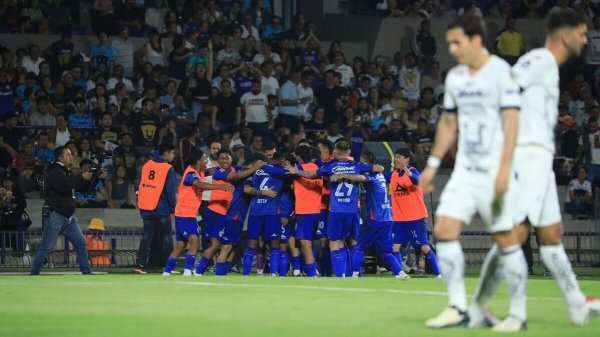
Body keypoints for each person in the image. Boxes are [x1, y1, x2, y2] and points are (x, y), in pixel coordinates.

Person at [471, 8, 600, 328]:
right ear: (566, 35)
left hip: (539, 159)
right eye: (582, 34)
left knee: (552, 235)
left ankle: (576, 304)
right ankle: (503, 312)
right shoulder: (540, 60)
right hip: (526, 157)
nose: (586, 40)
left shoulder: (551, 69)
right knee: (515, 234)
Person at [420, 15, 525, 331]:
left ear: (476, 40)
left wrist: (506, 169)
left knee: (506, 239)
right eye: (449, 42)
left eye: (457, 42)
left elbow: (512, 122)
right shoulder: (454, 78)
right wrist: (433, 164)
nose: (451, 49)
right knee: (445, 230)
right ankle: (458, 307)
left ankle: (517, 315)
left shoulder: (501, 73)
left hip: (496, 170)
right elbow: (449, 122)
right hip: (465, 171)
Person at [286, 140, 384, 277]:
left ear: (336, 152)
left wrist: (297, 171)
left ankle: (340, 275)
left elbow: (311, 174)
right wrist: (354, 176)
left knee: (335, 243)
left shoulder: (331, 166)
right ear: (349, 152)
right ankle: (356, 273)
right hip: (353, 211)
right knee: (354, 242)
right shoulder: (358, 165)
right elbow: (380, 169)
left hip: (336, 211)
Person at [31, 146, 106, 275]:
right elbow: (63, 186)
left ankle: (86, 271)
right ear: (60, 157)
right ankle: (33, 274)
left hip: (68, 218)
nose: (72, 156)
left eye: (71, 154)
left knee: (81, 243)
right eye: (68, 154)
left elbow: (84, 188)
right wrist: (81, 177)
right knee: (47, 246)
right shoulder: (54, 170)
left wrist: (96, 177)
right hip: (55, 215)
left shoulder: (67, 172)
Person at [194, 149, 265, 275]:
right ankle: (211, 273)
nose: (224, 161)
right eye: (221, 158)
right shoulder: (219, 172)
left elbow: (240, 171)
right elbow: (239, 178)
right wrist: (257, 166)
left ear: (231, 159)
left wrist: (249, 167)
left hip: (229, 214)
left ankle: (222, 272)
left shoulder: (238, 170)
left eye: (227, 158)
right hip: (228, 214)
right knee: (223, 246)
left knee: (232, 246)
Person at [336, 151, 405, 279]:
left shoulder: (371, 174)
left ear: (366, 162)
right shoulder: (381, 175)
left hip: (375, 218)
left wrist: (344, 175)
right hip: (387, 218)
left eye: (361, 162)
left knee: (360, 246)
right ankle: (400, 272)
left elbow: (362, 178)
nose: (359, 164)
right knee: (385, 251)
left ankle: (355, 273)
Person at [163, 151, 233, 276]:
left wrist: (223, 166)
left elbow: (211, 171)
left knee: (180, 245)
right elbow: (198, 184)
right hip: (185, 214)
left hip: (185, 213)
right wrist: (220, 187)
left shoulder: (200, 171)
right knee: (195, 242)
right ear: (198, 162)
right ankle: (188, 272)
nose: (206, 161)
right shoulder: (191, 173)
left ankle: (166, 272)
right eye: (204, 159)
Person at [386, 148, 440, 278]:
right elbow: (379, 176)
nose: (396, 159)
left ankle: (439, 275)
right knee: (395, 247)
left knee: (424, 247)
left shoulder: (413, 172)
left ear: (407, 159)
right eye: (395, 157)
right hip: (399, 219)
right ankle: (399, 274)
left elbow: (418, 180)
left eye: (399, 157)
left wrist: (409, 174)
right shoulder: (393, 175)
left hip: (416, 217)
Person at [243, 151, 288, 276]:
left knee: (252, 244)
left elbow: (246, 189)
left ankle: (246, 274)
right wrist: (266, 193)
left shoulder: (252, 171)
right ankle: (273, 274)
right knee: (274, 245)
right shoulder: (278, 170)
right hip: (272, 212)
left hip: (256, 212)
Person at [134, 143, 177, 274]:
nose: (173, 155)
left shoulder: (146, 165)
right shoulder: (168, 168)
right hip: (162, 208)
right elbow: (170, 192)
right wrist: (172, 209)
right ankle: (170, 266)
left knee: (147, 236)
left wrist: (139, 201)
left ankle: (140, 265)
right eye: (172, 152)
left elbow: (139, 186)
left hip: (146, 207)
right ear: (167, 152)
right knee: (167, 236)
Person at [289, 145, 323, 277]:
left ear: (298, 156)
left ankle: (311, 273)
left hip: (304, 212)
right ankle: (312, 270)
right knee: (308, 243)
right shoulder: (317, 168)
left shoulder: (298, 169)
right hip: (316, 211)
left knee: (305, 243)